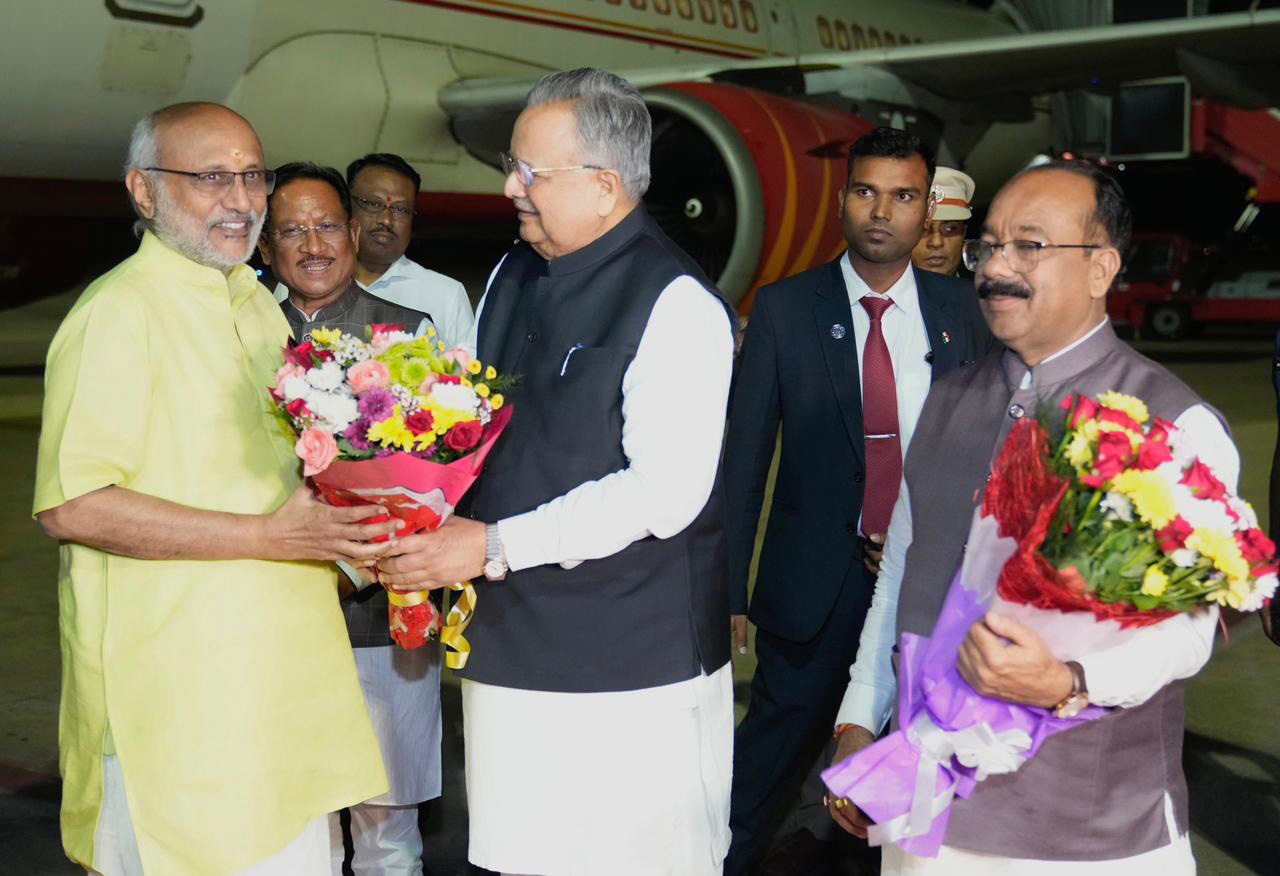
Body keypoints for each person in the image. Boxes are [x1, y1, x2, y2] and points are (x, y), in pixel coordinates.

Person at [373, 68, 736, 876]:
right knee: (519, 857)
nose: (510, 187)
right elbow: (467, 430)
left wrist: (492, 544)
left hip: (628, 670)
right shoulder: (512, 276)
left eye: (531, 172)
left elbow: (665, 494)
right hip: (507, 651)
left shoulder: (675, 302)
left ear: (606, 186)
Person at [829, 160, 1236, 874]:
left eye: (1030, 246)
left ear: (1101, 267)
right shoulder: (948, 400)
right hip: (926, 814)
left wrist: (1072, 682)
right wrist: (862, 716)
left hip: (1087, 833)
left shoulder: (1172, 423)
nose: (997, 267)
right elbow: (903, 571)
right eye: (988, 245)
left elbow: (1191, 631)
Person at [33, 102, 395, 874]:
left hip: (283, 705)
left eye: (253, 176)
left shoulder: (256, 306)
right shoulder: (119, 313)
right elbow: (73, 505)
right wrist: (267, 539)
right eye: (210, 178)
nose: (242, 200)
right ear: (143, 190)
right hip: (183, 718)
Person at [724, 128, 992, 875]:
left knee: (917, 779)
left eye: (904, 196)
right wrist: (729, 592)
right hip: (809, 587)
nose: (883, 212)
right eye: (867, 192)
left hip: (927, 591)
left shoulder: (962, 313)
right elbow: (745, 459)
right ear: (843, 200)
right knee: (766, 773)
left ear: (924, 208)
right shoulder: (783, 309)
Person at [259, 161, 442, 876]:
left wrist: (349, 567)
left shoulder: (408, 339)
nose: (313, 243)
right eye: (292, 229)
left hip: (380, 625)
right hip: (272, 628)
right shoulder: (242, 335)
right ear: (266, 247)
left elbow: (432, 489)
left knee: (387, 835)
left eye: (328, 224)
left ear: (354, 231)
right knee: (298, 834)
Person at [347, 152, 474, 348]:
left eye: (400, 209)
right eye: (373, 204)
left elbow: (466, 375)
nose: (386, 220)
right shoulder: (306, 284)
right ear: (346, 207)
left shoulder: (446, 295)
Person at [910, 166, 975, 277]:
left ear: (964, 234)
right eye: (923, 229)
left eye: (950, 229)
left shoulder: (980, 293)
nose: (936, 242)